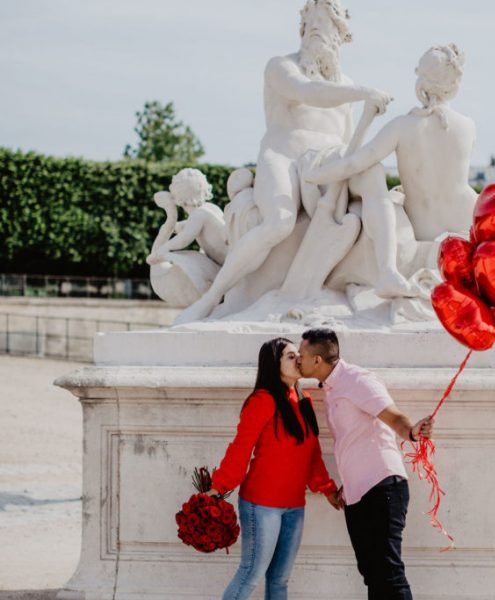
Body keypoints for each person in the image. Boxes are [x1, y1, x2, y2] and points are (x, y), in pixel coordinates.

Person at [175, 0, 397, 322]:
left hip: (323, 163)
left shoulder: (346, 86)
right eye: (311, 27)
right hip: (282, 154)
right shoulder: (281, 67)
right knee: (279, 221)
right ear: (302, 30)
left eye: (325, 28)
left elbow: (350, 147)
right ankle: (211, 299)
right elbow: (307, 91)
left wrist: (366, 120)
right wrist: (363, 93)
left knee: (371, 173)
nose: (316, 34)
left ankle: (386, 270)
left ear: (340, 35)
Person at [297, 328, 434, 600]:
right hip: (358, 492)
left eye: (301, 355)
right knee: (372, 574)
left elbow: (393, 417)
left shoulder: (357, 379)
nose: (298, 360)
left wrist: (412, 432)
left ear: (317, 360)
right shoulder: (332, 388)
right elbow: (351, 442)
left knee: (388, 573)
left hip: (382, 486)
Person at [207, 337, 339, 600]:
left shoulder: (304, 400)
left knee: (279, 580)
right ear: (274, 364)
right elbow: (240, 449)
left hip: (294, 505)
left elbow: (311, 453)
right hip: (261, 505)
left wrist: (327, 489)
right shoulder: (262, 400)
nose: (299, 360)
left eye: (298, 355)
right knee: (250, 574)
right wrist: (218, 488)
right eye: (291, 356)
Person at [305, 43, 478, 241]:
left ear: (420, 81)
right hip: (468, 220)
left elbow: (355, 163)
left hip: (423, 227)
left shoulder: (402, 126)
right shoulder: (468, 126)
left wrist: (312, 176)